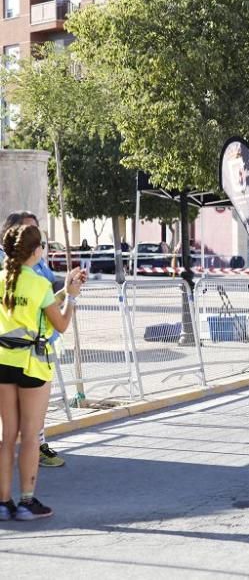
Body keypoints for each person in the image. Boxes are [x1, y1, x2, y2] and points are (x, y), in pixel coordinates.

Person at [0, 224, 87, 520]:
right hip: (33, 365)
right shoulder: (38, 284)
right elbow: (60, 324)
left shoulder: (2, 279)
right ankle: (27, 501)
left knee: (7, 435)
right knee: (30, 436)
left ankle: (3, 502)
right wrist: (72, 296)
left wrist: (63, 290)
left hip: (3, 362)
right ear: (36, 252)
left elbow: (34, 311)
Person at [0, 212, 66, 468]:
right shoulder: (8, 267)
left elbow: (48, 292)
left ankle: (10, 497)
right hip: (19, 353)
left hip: (39, 348)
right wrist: (67, 302)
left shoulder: (39, 265)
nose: (36, 240)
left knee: (23, 426)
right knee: (20, 430)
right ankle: (25, 496)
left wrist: (65, 291)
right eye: (30, 232)